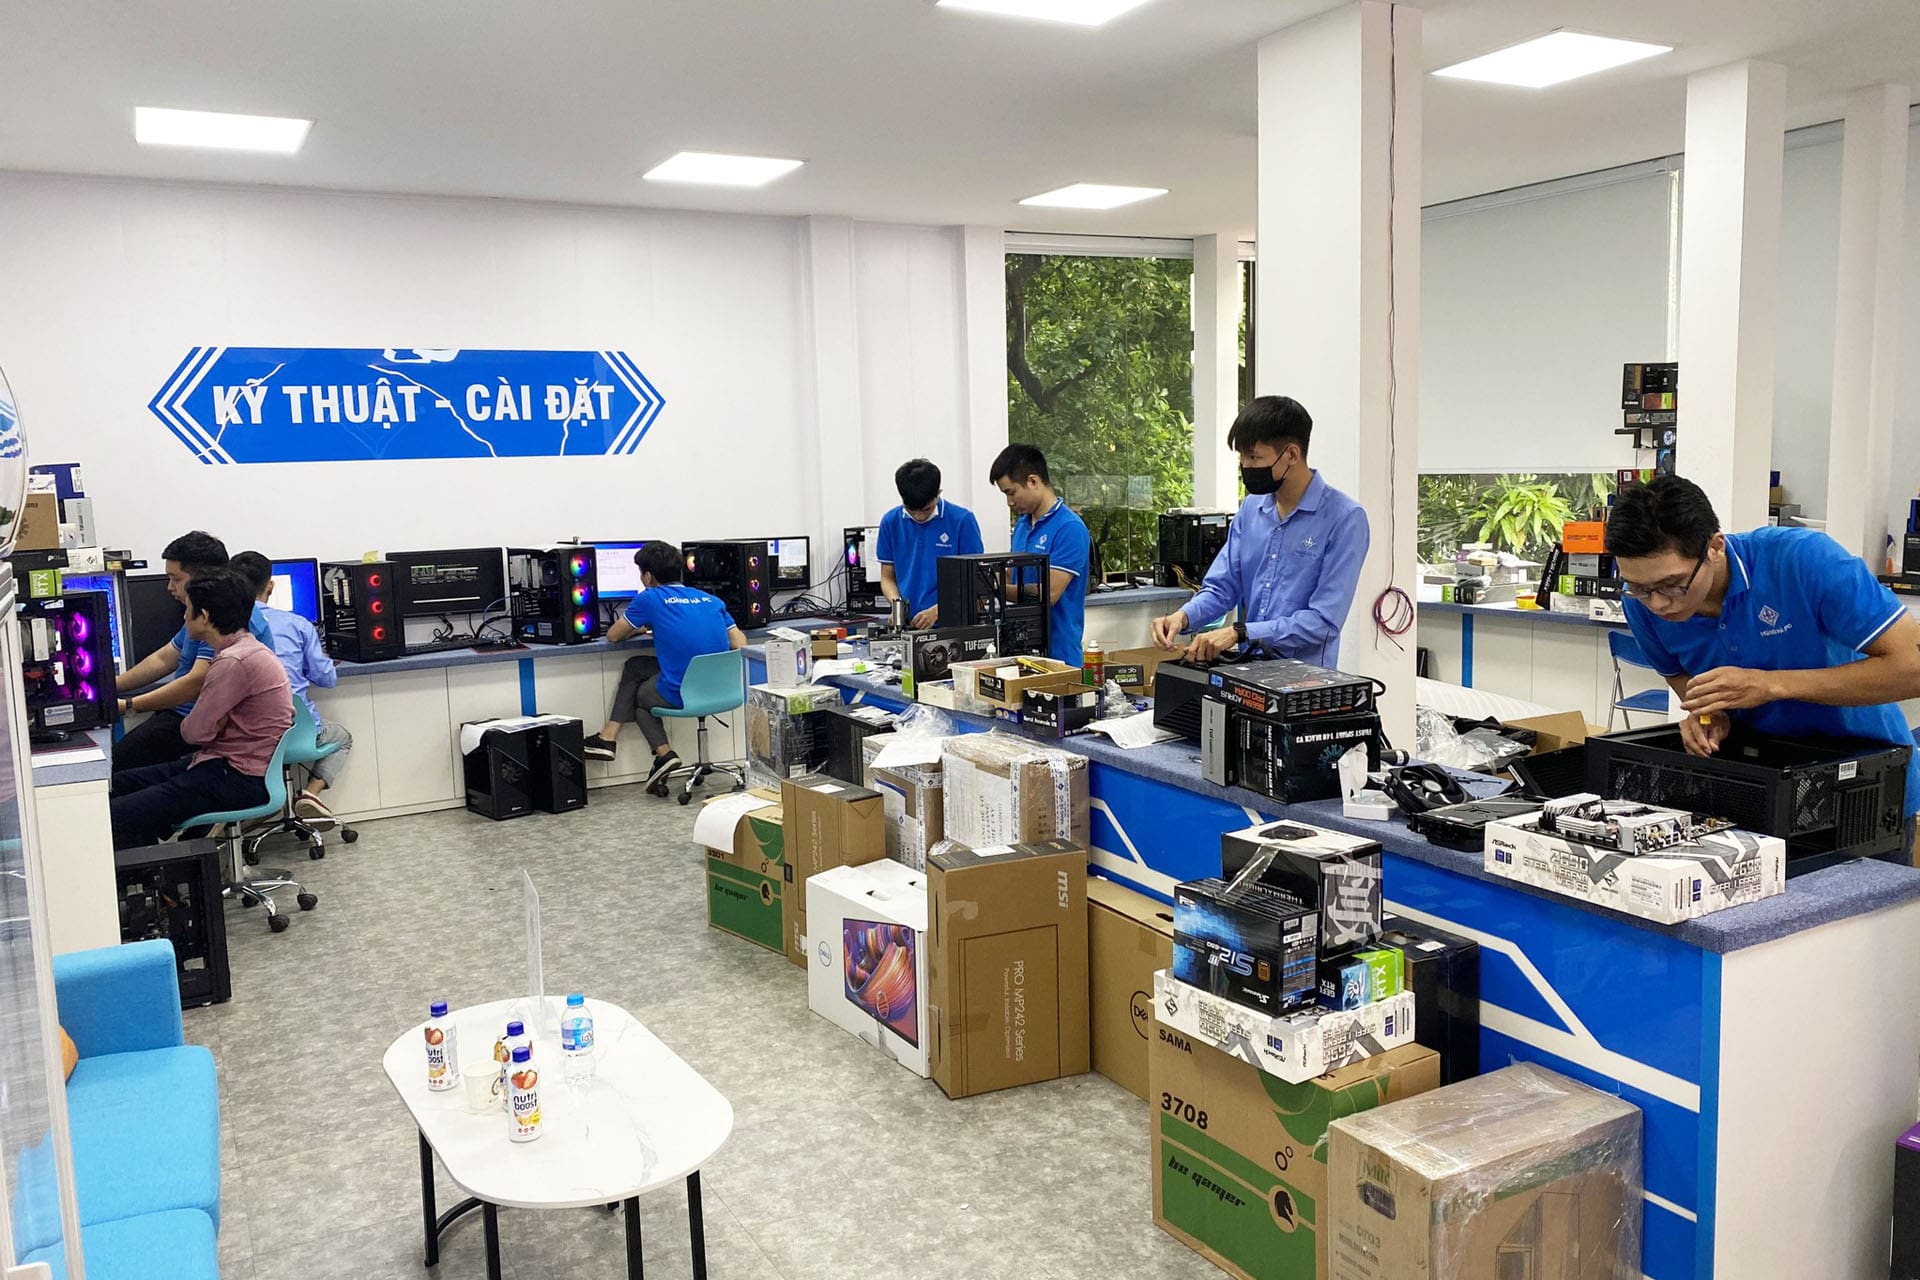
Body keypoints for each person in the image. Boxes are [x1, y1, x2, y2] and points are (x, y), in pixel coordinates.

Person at [1606, 474, 1920, 833]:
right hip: (1759, 784)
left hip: (1863, 779)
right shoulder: (1641, 606)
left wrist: (1770, 685)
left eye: (1672, 585)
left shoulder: (1803, 561)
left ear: (1715, 547)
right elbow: (1686, 682)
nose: (1658, 604)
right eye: (1639, 588)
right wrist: (1709, 716)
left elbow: (1913, 667)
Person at [1150, 396, 1370, 668]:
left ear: (1291, 455)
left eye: (1254, 457)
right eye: (1242, 456)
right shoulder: (1251, 509)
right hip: (1248, 672)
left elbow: (1323, 622)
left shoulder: (1345, 518)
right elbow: (1222, 587)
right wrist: (1183, 617)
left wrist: (1241, 633)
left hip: (1305, 680)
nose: (1245, 465)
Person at [110, 569, 293, 849]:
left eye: (188, 610)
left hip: (235, 778)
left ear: (204, 617)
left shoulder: (232, 663)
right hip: (224, 765)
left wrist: (213, 724)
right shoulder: (248, 649)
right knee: (118, 785)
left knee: (115, 815)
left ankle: (153, 872)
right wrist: (217, 723)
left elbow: (192, 732)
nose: (184, 617)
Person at [582, 541, 746, 791]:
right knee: (636, 666)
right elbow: (739, 643)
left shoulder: (650, 598)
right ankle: (611, 738)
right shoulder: (711, 600)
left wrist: (639, 629)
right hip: (722, 689)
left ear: (648, 577)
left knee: (641, 698)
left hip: (686, 692)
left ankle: (661, 753)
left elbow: (613, 636)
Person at [111, 531, 274, 775]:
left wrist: (129, 705)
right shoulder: (199, 612)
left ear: (203, 578)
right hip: (186, 716)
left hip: (206, 728)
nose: (169, 587)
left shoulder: (223, 619)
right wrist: (109, 687)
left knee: (115, 770)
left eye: (175, 579)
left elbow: (196, 682)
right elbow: (164, 658)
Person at [230, 551, 354, 827]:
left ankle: (261, 809)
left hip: (248, 736)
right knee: (342, 736)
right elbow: (327, 679)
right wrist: (319, 660)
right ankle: (311, 792)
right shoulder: (297, 624)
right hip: (299, 732)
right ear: (270, 586)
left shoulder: (221, 629)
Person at [991, 444, 1091, 666]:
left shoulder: (1069, 528)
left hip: (1059, 658)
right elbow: (1010, 575)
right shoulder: (1022, 525)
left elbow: (1048, 593)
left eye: (1011, 492)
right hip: (1022, 652)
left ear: (1033, 481)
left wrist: (995, 590)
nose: (1009, 502)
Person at [876, 458, 984, 628]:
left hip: (954, 625)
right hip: (910, 625)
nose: (919, 516)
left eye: (926, 509)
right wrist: (897, 606)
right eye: (911, 510)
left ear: (938, 493)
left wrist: (939, 610)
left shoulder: (962, 521)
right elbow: (887, 577)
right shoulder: (890, 522)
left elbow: (975, 581)